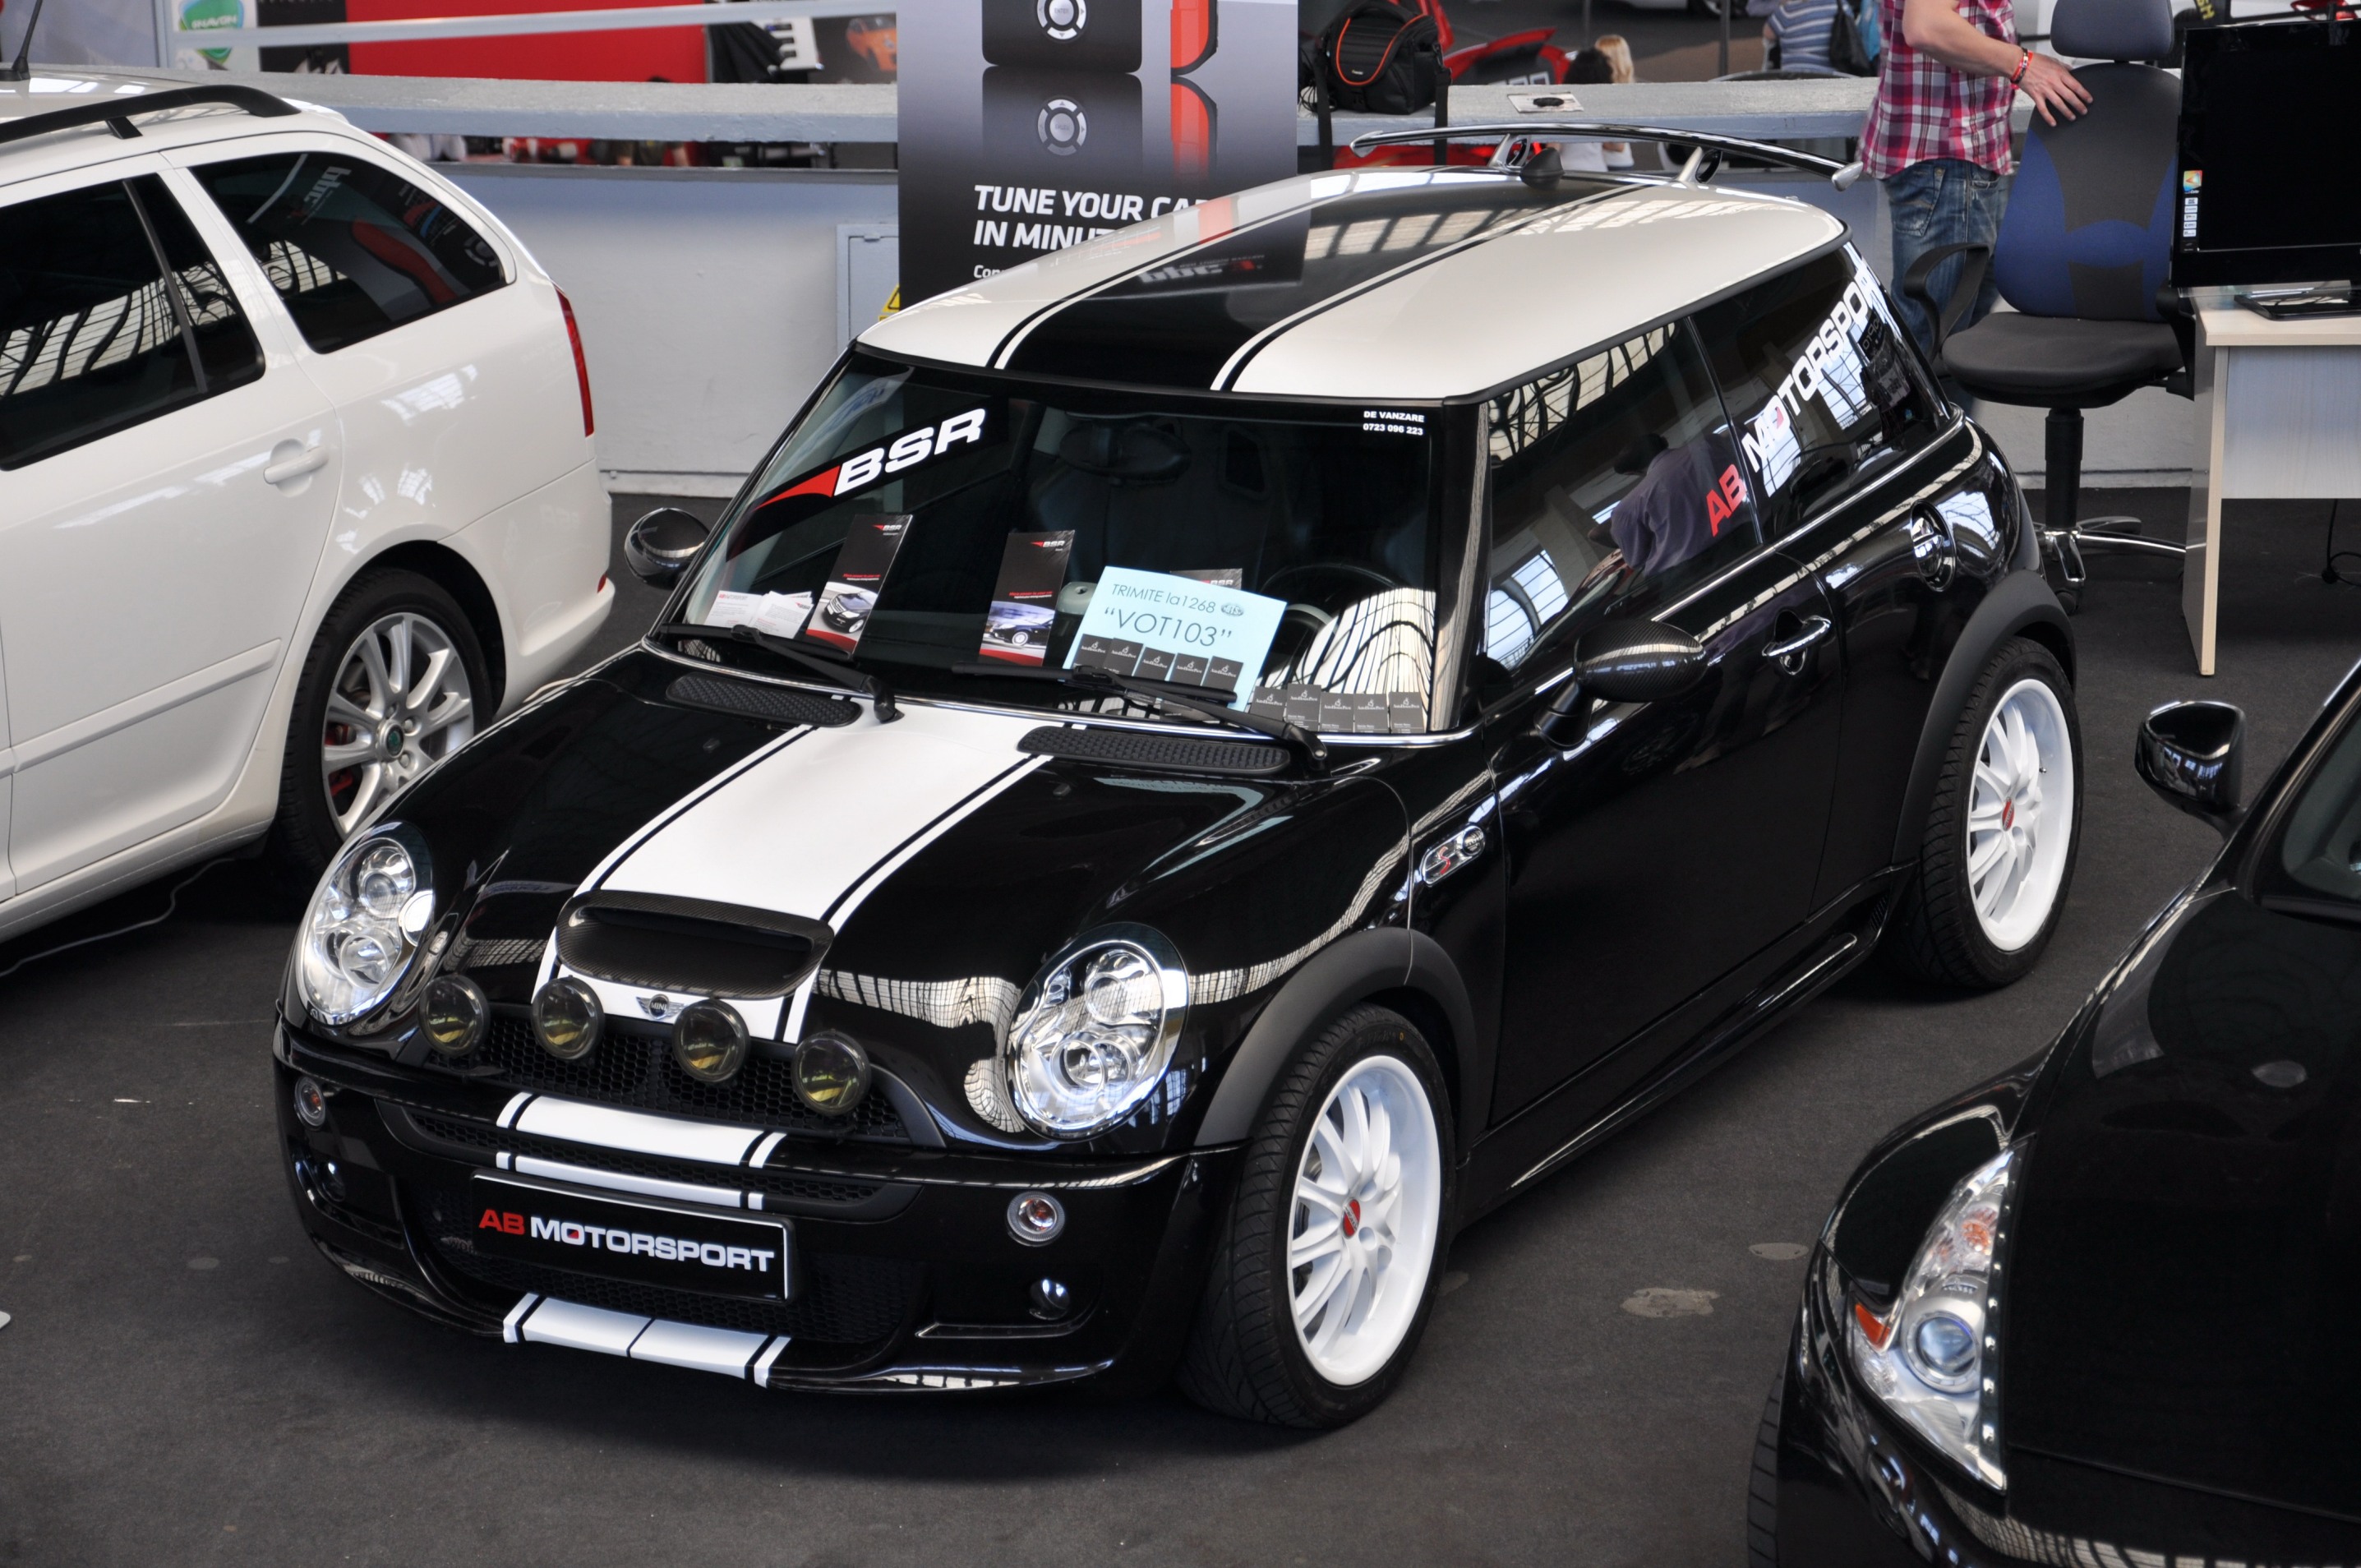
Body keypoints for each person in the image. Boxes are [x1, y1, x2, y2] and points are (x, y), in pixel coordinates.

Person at [1865, 0, 2090, 357]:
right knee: (1931, 350)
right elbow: (1926, 26)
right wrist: (2023, 65)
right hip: (1948, 159)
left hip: (1966, 158)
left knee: (1956, 340)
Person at [1592, 34, 1637, 166]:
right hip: (1617, 162)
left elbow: (1617, 145)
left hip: (1611, 164)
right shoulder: (1626, 91)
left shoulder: (1614, 96)